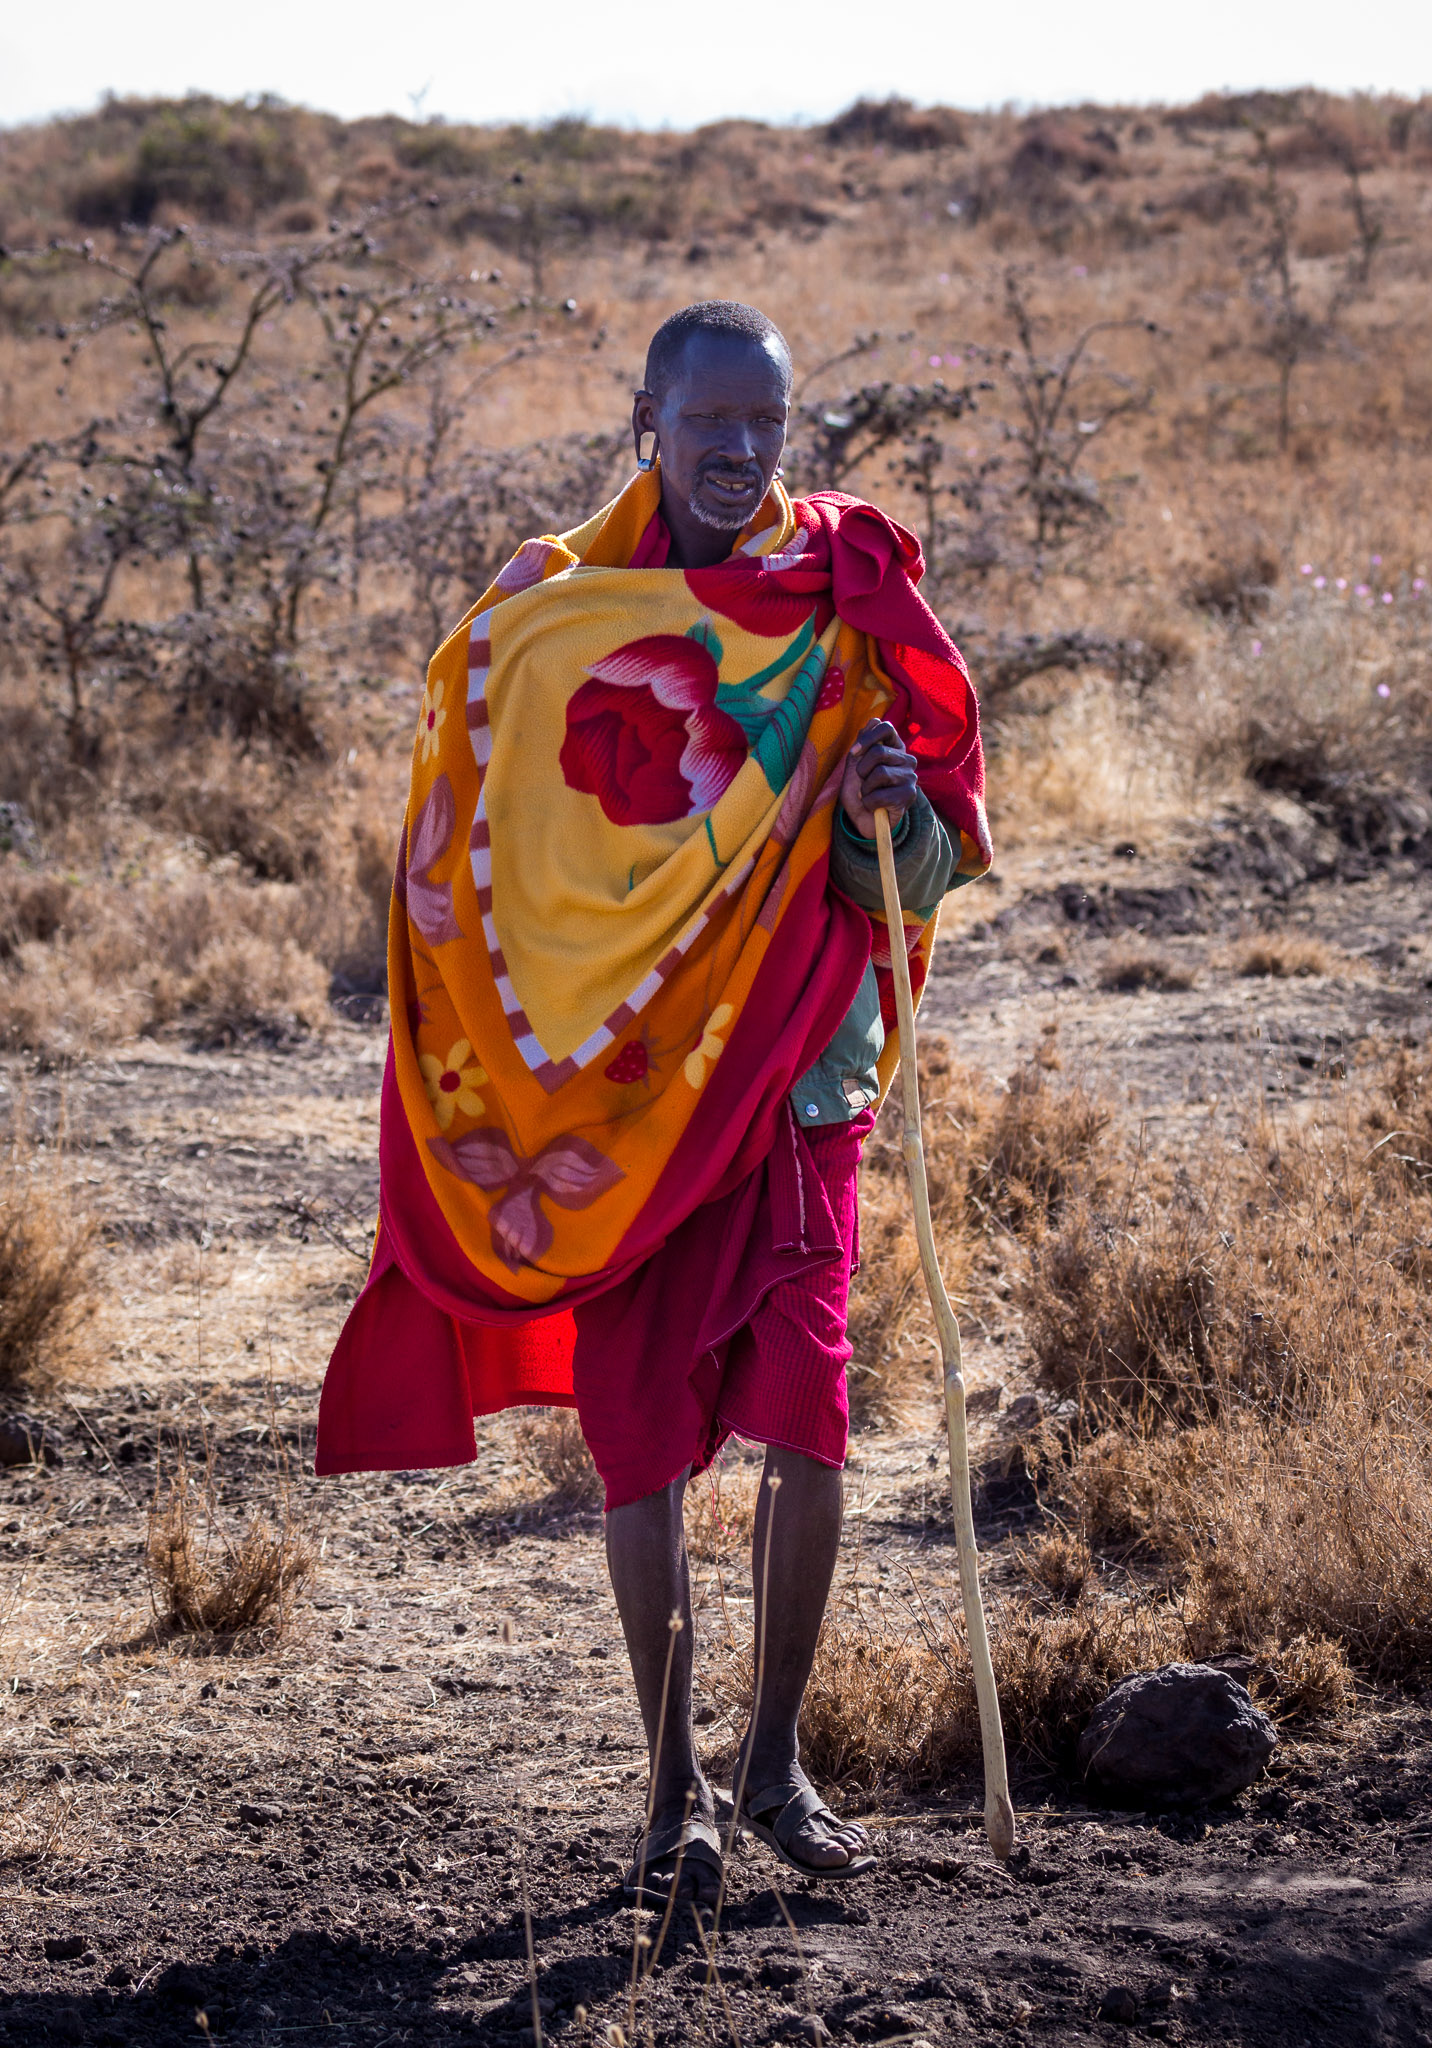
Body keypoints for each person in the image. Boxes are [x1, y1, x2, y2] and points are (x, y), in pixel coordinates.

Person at [317, 300, 990, 1905]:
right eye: (707, 424)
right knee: (638, 1450)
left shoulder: (838, 608)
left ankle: (776, 1760)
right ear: (647, 421)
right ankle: (670, 1782)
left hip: (794, 1082)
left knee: (809, 1420)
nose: (739, 451)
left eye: (765, 423)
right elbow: (475, 819)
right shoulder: (555, 617)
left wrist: (889, 815)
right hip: (612, 1113)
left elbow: (919, 873)